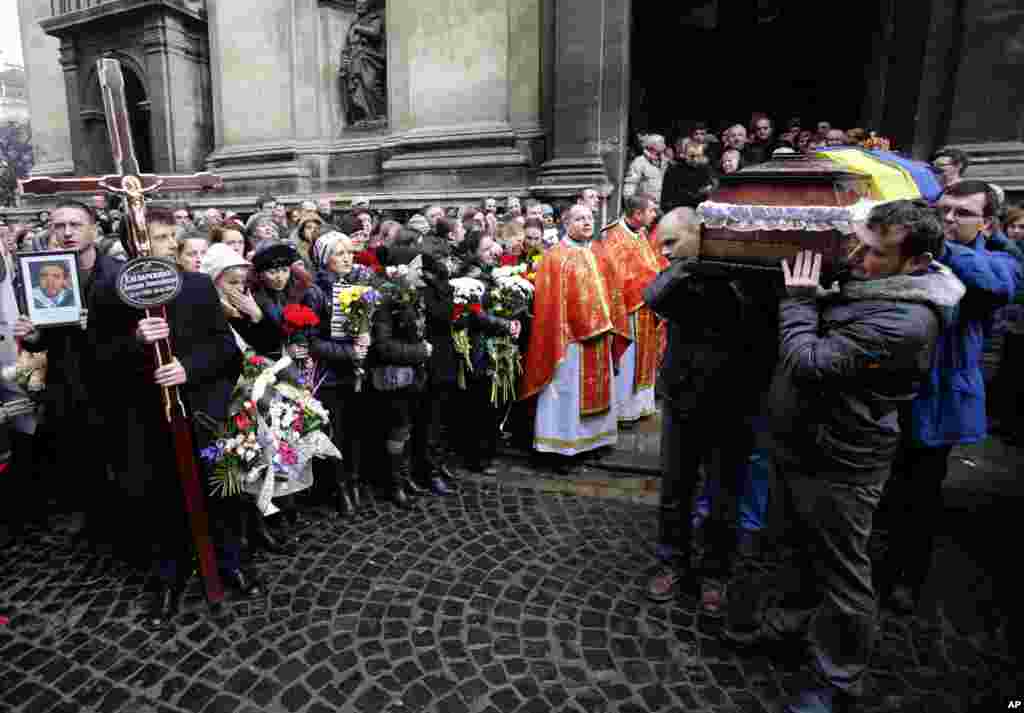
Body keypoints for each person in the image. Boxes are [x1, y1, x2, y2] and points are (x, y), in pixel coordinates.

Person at [724, 200, 965, 713]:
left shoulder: (907, 320)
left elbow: (809, 361)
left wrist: (799, 302)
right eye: (857, 242)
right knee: (797, 549)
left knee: (843, 575)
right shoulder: (878, 285)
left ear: (917, 263)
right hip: (806, 442)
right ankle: (790, 627)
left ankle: (837, 678)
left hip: (842, 459)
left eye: (875, 252)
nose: (856, 257)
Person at [89, 211, 260, 627]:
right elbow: (96, 358)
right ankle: (168, 575)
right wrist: (133, 341)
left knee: (220, 492)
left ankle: (229, 561)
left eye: (170, 236)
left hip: (200, 410)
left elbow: (225, 349)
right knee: (161, 500)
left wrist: (189, 367)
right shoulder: (108, 292)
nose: (167, 245)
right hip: (145, 417)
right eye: (157, 237)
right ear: (133, 243)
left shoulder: (196, 285)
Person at [876, 181, 1023, 615]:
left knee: (919, 493)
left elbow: (995, 283)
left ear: (987, 224)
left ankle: (906, 578)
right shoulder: (915, 253)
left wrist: (938, 246)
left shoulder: (998, 261)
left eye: (962, 213)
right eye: (943, 211)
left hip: (938, 396)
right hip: (892, 388)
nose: (949, 219)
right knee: (883, 486)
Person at [641, 209, 779, 611]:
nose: (665, 252)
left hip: (734, 403)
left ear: (698, 232)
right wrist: (692, 264)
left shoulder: (748, 273)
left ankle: (715, 572)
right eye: (662, 244)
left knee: (723, 494)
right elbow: (653, 296)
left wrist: (726, 265)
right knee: (675, 490)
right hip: (683, 399)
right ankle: (672, 562)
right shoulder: (681, 275)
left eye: (672, 242)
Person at [15, 201, 117, 543]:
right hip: (67, 379)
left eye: (75, 224)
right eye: (59, 226)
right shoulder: (43, 271)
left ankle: (119, 518)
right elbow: (42, 336)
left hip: (113, 381)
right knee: (74, 452)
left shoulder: (116, 273)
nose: (67, 232)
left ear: (94, 228)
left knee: (115, 452)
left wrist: (97, 327)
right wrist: (32, 336)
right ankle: (82, 516)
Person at [519, 204, 630, 467]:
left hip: (601, 336)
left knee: (599, 390)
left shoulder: (599, 252)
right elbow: (549, 304)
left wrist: (611, 322)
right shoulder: (555, 257)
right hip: (568, 340)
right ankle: (561, 448)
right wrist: (569, 329)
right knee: (567, 393)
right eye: (580, 219)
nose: (587, 222)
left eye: (589, 218)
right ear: (566, 223)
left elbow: (613, 291)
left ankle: (593, 442)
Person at [593, 194, 666, 425]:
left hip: (646, 305)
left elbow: (650, 263)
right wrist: (648, 283)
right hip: (627, 309)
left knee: (645, 358)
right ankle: (624, 410)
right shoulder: (613, 236)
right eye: (651, 210)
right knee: (628, 361)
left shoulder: (641, 233)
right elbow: (615, 276)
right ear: (637, 214)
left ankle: (641, 405)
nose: (655, 214)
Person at [660, 142, 715, 211]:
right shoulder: (674, 169)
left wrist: (709, 188)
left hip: (698, 208)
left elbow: (712, 183)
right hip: (678, 208)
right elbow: (671, 196)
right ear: (684, 155)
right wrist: (700, 193)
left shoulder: (704, 168)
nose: (695, 159)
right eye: (692, 156)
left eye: (699, 156)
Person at [623, 135, 668, 205]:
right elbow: (630, 186)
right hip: (647, 206)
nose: (664, 145)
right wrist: (633, 200)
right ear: (651, 145)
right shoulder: (639, 162)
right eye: (661, 142)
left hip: (664, 205)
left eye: (664, 142)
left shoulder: (665, 162)